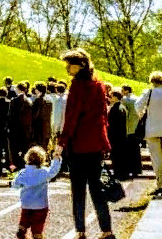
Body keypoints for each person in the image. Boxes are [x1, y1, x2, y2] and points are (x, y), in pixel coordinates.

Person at [54, 48, 114, 239]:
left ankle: (80, 230)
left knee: (78, 190)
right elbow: (103, 116)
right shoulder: (99, 85)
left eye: (69, 64)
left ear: (79, 65)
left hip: (78, 144)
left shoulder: (77, 86)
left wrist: (61, 142)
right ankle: (106, 230)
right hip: (96, 144)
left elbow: (72, 117)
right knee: (97, 190)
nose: (66, 68)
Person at [135, 70, 162, 197]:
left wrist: (144, 115)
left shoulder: (148, 93)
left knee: (157, 158)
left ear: (151, 81)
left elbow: (138, 106)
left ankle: (160, 184)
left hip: (152, 129)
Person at [11, 146, 62, 239]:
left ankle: (22, 228)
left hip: (26, 204)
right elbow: (53, 171)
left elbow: (15, 184)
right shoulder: (44, 172)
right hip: (40, 205)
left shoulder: (23, 172)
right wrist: (56, 159)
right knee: (38, 227)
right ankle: (37, 235)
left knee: (24, 219)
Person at [8, 82, 33, 170]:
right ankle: (24, 167)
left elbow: (11, 117)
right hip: (26, 130)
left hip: (15, 130)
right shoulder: (29, 101)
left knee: (15, 152)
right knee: (24, 151)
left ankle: (17, 168)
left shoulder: (14, 101)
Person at [121, 84, 143, 178]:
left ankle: (129, 169)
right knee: (136, 150)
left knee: (128, 150)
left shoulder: (125, 100)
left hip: (128, 128)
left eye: (122, 91)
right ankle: (137, 169)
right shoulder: (137, 99)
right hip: (136, 127)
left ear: (126, 91)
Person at [107, 89, 129, 180]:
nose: (110, 98)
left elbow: (112, 123)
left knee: (116, 156)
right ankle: (121, 173)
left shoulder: (116, 108)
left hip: (115, 136)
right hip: (121, 136)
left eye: (111, 96)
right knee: (120, 156)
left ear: (115, 97)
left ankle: (118, 173)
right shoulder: (122, 107)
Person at [31, 82, 52, 151]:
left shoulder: (37, 101)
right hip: (47, 128)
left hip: (39, 129)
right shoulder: (49, 101)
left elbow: (35, 116)